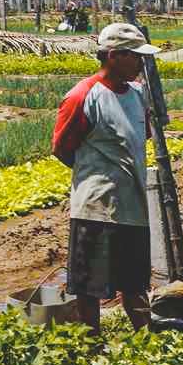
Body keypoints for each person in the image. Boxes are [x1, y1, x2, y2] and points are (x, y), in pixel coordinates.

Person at [51, 23, 160, 335]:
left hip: (133, 204)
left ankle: (146, 337)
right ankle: (91, 342)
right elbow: (62, 148)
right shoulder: (83, 95)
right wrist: (96, 177)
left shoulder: (138, 95)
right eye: (135, 56)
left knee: (135, 280)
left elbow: (142, 137)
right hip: (96, 206)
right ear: (113, 56)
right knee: (89, 283)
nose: (141, 63)